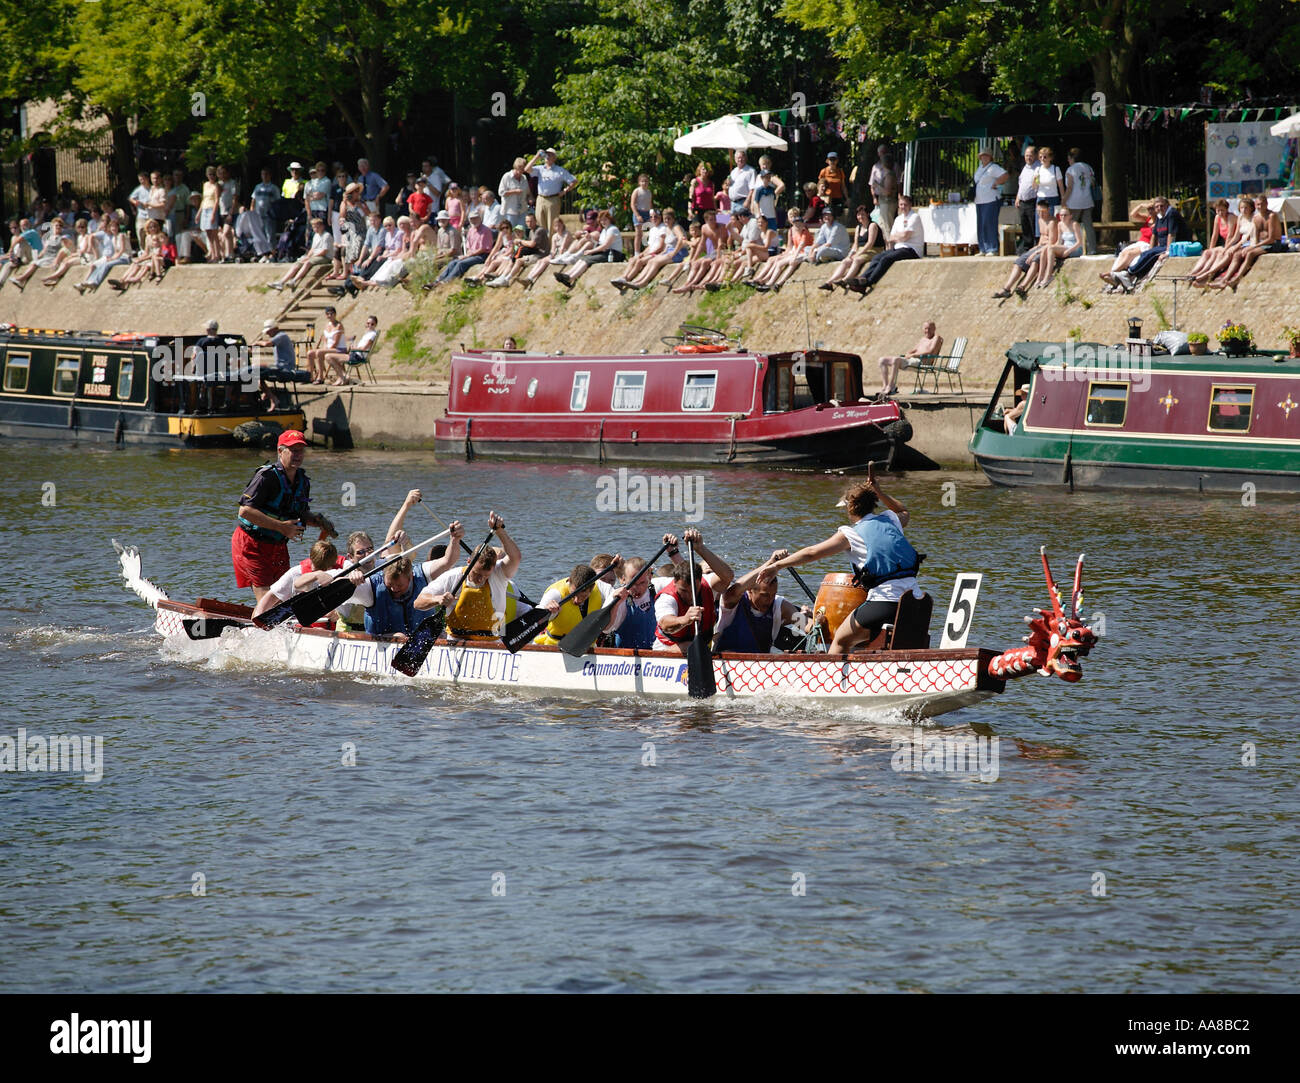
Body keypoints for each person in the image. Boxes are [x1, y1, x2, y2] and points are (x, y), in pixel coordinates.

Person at [767, 465, 922, 655]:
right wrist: (879, 491)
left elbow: (812, 553)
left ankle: (830, 682)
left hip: (886, 603)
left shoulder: (850, 533)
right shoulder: (890, 520)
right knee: (860, 638)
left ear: (850, 507)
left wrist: (777, 565)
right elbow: (904, 511)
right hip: (916, 600)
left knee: (840, 639)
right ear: (873, 503)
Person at [231, 429, 336, 601]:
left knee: (285, 594)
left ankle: (285, 623)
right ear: (280, 451)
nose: (298, 455)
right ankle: (265, 623)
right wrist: (282, 527)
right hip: (252, 543)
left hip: (278, 545)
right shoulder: (266, 477)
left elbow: (300, 512)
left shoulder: (303, 480)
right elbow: (245, 511)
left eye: (301, 450)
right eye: (293, 450)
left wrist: (317, 520)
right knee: (267, 598)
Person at [417, 511, 522, 637]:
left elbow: (515, 557)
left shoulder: (499, 574)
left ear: (493, 568)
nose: (480, 579)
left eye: (485, 575)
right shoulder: (453, 576)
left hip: (491, 642)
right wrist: (438, 599)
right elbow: (418, 602)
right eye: (476, 573)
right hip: (456, 640)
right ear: (468, 562)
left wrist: (500, 531)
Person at [713, 551, 812, 654]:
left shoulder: (779, 605)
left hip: (759, 665)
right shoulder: (733, 601)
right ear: (750, 590)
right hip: (726, 661)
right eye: (764, 595)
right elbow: (737, 588)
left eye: (773, 594)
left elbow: (804, 623)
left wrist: (816, 625)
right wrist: (771, 562)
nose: (770, 600)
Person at [652, 529, 734, 654]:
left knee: (729, 651)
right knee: (688, 646)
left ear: (700, 581)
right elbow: (665, 624)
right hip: (665, 650)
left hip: (699, 649)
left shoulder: (706, 585)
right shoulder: (667, 597)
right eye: (684, 590)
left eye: (694, 590)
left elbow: (727, 576)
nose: (690, 595)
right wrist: (685, 619)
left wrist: (700, 548)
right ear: (674, 583)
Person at [249, 539, 344, 623]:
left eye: (324, 568)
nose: (319, 571)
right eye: (316, 567)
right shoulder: (294, 573)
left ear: (334, 563)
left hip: (327, 624)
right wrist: (258, 621)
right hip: (300, 623)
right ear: (310, 557)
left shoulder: (339, 573)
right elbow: (270, 598)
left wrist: (338, 613)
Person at [846, 194, 923, 294]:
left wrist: (899, 236)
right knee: (877, 257)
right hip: (899, 247)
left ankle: (869, 282)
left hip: (912, 249)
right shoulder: (898, 219)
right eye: (901, 204)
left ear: (910, 205)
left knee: (886, 259)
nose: (903, 207)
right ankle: (863, 278)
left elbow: (905, 237)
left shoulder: (914, 217)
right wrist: (899, 236)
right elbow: (891, 237)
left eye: (905, 204)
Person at [1112, 196, 1182, 290]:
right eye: (1157, 207)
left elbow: (1171, 234)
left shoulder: (1171, 214)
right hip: (1161, 245)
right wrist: (1150, 249)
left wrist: (1168, 252)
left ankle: (1128, 273)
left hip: (1173, 245)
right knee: (1146, 253)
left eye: (1162, 206)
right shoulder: (1160, 216)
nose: (1159, 208)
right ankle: (1124, 273)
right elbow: (1154, 235)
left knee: (1151, 254)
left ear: (1167, 205)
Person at [992, 201, 1058, 298]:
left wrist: (1035, 252)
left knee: (1035, 261)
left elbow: (1051, 242)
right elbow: (1041, 239)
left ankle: (1023, 286)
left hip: (1047, 248)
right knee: (1018, 262)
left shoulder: (1052, 222)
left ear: (1048, 210)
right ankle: (1006, 288)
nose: (1041, 214)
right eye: (1039, 212)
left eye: (1043, 212)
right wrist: (1034, 249)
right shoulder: (1040, 220)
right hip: (1039, 247)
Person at [553, 208, 622, 287]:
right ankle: (567, 274)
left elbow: (605, 245)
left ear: (610, 219)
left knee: (588, 260)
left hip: (613, 254)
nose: (603, 222)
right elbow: (600, 244)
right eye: (601, 220)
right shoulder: (604, 230)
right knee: (583, 258)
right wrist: (591, 239)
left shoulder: (612, 229)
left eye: (605, 220)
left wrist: (591, 251)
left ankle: (570, 278)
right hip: (606, 252)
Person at [821, 205, 883, 290]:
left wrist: (858, 254)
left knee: (857, 260)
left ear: (868, 214)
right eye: (859, 215)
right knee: (846, 261)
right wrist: (851, 254)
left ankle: (845, 280)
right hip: (861, 249)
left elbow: (870, 243)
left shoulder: (872, 225)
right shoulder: (858, 227)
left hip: (874, 250)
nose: (860, 217)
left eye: (863, 214)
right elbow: (855, 244)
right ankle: (829, 282)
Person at [878, 321, 942, 398]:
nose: (927, 331)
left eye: (929, 328)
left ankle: (891, 386)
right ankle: (885, 386)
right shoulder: (923, 339)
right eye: (925, 328)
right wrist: (908, 353)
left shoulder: (936, 337)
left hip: (922, 362)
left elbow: (930, 351)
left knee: (896, 360)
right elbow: (914, 349)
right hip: (913, 360)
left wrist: (913, 355)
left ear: (934, 329)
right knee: (882, 360)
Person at [526, 148, 577, 234]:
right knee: (540, 223)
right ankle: (542, 245)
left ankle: (551, 246)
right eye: (547, 154)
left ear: (554, 158)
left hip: (553, 199)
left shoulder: (560, 170)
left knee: (552, 225)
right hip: (540, 199)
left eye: (550, 155)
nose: (547, 156)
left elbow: (574, 181)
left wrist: (565, 191)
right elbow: (527, 169)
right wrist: (537, 157)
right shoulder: (540, 169)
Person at [1035, 206, 1083, 288]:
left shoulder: (1074, 224)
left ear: (1070, 216)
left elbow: (1079, 242)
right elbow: (1059, 241)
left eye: (1065, 215)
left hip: (1074, 248)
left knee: (1050, 248)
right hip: (1065, 247)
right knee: (1046, 249)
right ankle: (1040, 277)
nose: (1063, 217)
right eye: (1061, 215)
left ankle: (1048, 275)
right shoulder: (1060, 224)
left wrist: (1068, 251)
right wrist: (1045, 248)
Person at [973, 149, 1009, 255]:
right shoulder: (980, 168)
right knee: (981, 224)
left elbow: (1005, 175)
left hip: (990, 199)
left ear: (990, 157)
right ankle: (983, 248)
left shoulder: (993, 167)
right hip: (979, 200)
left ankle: (992, 248)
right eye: (982, 156)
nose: (984, 157)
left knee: (989, 223)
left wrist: (996, 183)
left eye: (986, 156)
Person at [1063, 148, 1097, 255]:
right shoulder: (1088, 167)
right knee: (1088, 226)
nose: (1068, 160)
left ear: (1072, 158)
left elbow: (1070, 187)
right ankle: (1092, 249)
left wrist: (1064, 200)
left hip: (1074, 202)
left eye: (1069, 158)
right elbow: (1092, 183)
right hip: (1087, 200)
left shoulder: (1071, 170)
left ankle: (1073, 248)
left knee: (1071, 225)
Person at [305, 306, 345, 384]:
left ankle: (321, 377)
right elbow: (325, 341)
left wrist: (323, 350)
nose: (329, 316)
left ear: (335, 314)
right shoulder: (327, 325)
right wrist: (324, 348)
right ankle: (310, 376)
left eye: (331, 314)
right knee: (310, 353)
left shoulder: (339, 326)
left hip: (338, 349)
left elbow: (335, 343)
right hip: (329, 348)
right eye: (327, 314)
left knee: (319, 352)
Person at [1013, 144, 1039, 253]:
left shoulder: (1038, 168)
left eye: (1030, 155)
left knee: (1033, 226)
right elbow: (1021, 184)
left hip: (1032, 201)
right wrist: (1018, 197)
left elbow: (1037, 184)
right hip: (1023, 202)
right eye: (1026, 155)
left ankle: (1035, 247)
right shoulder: (1025, 168)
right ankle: (1027, 248)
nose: (1028, 157)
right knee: (1025, 226)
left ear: (1036, 156)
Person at [868, 146, 900, 233]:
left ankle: (891, 245)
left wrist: (878, 186)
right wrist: (874, 197)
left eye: (884, 152)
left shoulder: (893, 169)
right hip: (879, 199)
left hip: (888, 200)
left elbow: (895, 185)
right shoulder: (875, 167)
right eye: (881, 152)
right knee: (882, 224)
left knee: (888, 225)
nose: (883, 154)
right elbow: (871, 184)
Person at [818, 151, 847, 219]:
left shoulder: (840, 171)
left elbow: (843, 186)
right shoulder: (823, 171)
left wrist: (847, 198)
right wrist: (820, 195)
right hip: (827, 198)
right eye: (830, 159)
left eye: (834, 159)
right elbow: (820, 184)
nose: (832, 161)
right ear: (827, 161)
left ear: (837, 161)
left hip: (838, 198)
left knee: (838, 216)